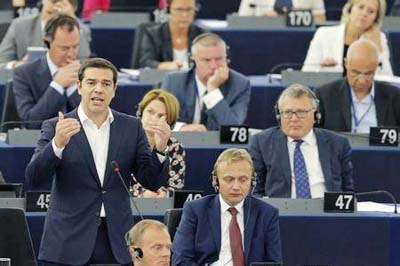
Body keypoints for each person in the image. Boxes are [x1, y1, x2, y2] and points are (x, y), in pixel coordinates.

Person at [25, 58, 171, 265]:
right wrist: (57, 144)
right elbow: (34, 177)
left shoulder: (131, 127)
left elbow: (151, 181)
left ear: (114, 89)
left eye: (106, 84)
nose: (98, 89)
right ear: (79, 87)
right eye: (91, 83)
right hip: (67, 242)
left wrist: (161, 148)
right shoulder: (56, 126)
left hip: (116, 242)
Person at [172, 148, 282, 265]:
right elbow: (180, 261)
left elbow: (273, 263)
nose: (236, 186)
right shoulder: (195, 210)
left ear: (252, 182)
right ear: (216, 181)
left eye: (243, 180)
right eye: (229, 179)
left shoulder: (267, 213)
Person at [250, 84, 354, 198]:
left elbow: (347, 192)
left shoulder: (338, 144)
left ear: (315, 115)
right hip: (282, 213)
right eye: (288, 112)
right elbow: (255, 192)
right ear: (279, 116)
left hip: (327, 213)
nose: (294, 119)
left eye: (301, 112)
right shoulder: (261, 143)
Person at [161, 33, 251, 131]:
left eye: (219, 59)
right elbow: (158, 120)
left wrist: (213, 89)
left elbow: (233, 129)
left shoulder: (240, 84)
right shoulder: (174, 82)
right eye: (206, 60)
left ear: (226, 57)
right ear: (193, 59)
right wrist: (181, 128)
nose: (213, 66)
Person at [315, 39, 400, 133]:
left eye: (368, 74)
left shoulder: (395, 97)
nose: (362, 80)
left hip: (379, 148)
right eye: (356, 72)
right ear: (346, 64)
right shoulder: (324, 95)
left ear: (376, 67)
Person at [13, 14, 81, 127]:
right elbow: (30, 123)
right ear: (47, 43)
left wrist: (73, 87)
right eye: (64, 48)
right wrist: (57, 85)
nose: (70, 54)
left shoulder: (87, 73)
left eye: (75, 47)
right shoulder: (24, 74)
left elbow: (94, 121)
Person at [302, 0, 393, 76]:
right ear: (350, 9)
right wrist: (322, 69)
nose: (364, 13)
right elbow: (306, 73)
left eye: (371, 11)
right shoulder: (324, 34)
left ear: (376, 19)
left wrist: (378, 48)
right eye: (360, 7)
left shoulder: (379, 38)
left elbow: (388, 79)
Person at [0, 0, 91, 69]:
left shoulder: (81, 30)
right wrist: (18, 65)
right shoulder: (20, 26)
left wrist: (72, 20)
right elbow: (2, 63)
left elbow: (84, 64)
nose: (56, 6)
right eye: (53, 1)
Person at [132, 89, 185, 198]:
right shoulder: (126, 140)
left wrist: (165, 194)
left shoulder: (175, 147)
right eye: (150, 112)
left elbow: (176, 186)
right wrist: (142, 193)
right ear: (140, 113)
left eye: (161, 116)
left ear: (169, 123)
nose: (153, 119)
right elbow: (116, 182)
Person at [134, 0, 205, 70]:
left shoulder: (201, 35)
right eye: (179, 9)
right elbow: (146, 62)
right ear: (168, 9)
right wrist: (163, 66)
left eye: (189, 9)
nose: (185, 15)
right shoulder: (153, 34)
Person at [238, 0, 326, 23]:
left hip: (300, 39)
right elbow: (240, 22)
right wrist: (263, 21)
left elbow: (321, 19)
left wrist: (302, 16)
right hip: (262, 39)